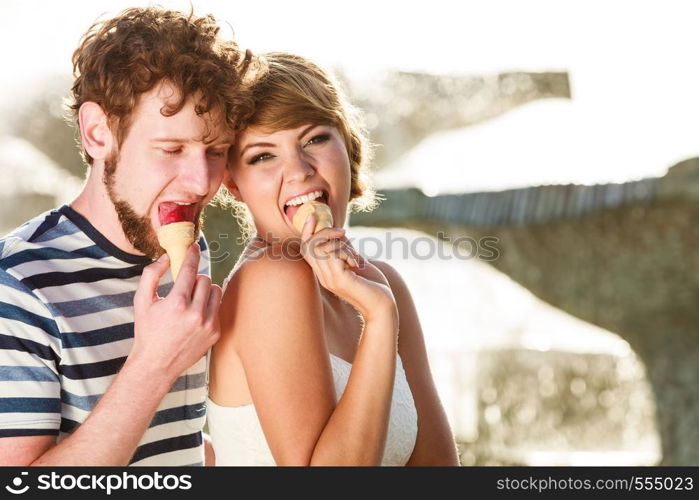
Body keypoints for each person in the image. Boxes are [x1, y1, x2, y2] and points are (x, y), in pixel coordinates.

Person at [0, 7, 254, 466]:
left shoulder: (189, 252)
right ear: (98, 133)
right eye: (171, 149)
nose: (200, 182)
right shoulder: (17, 286)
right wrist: (154, 365)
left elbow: (177, 443)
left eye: (215, 151)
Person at [207, 53, 460, 466]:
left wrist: (382, 307)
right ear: (233, 183)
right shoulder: (271, 280)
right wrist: (378, 321)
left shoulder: (383, 283)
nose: (300, 170)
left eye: (314, 139)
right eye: (263, 156)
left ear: (348, 144)